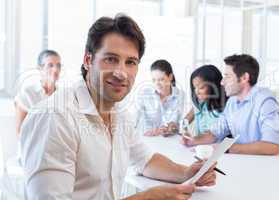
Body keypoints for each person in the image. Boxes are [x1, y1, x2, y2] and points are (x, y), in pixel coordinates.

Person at [20, 14, 216, 200]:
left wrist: (187, 172)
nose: (121, 73)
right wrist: (146, 197)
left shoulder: (118, 112)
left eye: (130, 62)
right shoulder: (55, 116)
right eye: (111, 59)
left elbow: (145, 160)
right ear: (88, 60)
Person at [182, 54, 279, 156]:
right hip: (252, 163)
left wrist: (226, 148)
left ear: (244, 78)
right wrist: (192, 140)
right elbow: (214, 134)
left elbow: (272, 147)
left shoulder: (265, 102)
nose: (222, 82)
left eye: (227, 76)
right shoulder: (232, 102)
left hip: (278, 167)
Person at [14, 50, 62, 136]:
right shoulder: (27, 93)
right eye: (50, 65)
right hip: (33, 147)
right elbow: (20, 132)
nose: (55, 69)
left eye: (58, 66)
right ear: (40, 69)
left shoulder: (62, 95)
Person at [136, 59, 185, 136]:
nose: (157, 84)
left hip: (170, 138)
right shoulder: (144, 94)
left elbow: (178, 123)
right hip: (148, 138)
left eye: (161, 79)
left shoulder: (180, 95)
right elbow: (134, 120)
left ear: (170, 77)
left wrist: (171, 128)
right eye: (154, 80)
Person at [181, 65, 226, 145]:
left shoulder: (226, 108)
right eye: (195, 88)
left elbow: (214, 135)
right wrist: (184, 130)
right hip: (200, 149)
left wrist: (193, 140)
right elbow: (185, 120)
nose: (196, 92)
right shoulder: (200, 104)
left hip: (219, 152)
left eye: (201, 88)